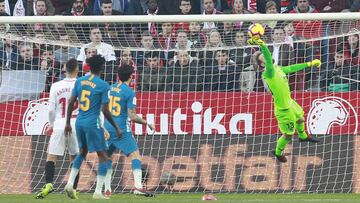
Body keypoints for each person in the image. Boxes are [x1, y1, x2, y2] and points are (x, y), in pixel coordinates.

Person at [247, 37, 321, 163]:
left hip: (289, 102)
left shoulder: (278, 68)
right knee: (288, 135)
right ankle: (277, 152)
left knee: (301, 118)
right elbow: (269, 59)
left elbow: (292, 68)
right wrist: (263, 45)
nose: (266, 57)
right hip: (283, 108)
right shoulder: (268, 72)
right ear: (262, 64)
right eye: (263, 58)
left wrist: (309, 64)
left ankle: (303, 136)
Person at [63, 55, 122, 199]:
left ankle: (70, 183)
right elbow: (104, 110)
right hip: (92, 123)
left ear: (89, 67)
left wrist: (67, 122)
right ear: (102, 67)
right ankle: (97, 192)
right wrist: (116, 127)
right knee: (104, 157)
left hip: (79, 122)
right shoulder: (103, 85)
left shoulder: (80, 81)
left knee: (82, 152)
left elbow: (71, 102)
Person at [103, 64, 155, 197]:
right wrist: (147, 123)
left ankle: (107, 189)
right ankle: (138, 187)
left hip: (108, 127)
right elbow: (132, 116)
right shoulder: (129, 92)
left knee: (107, 157)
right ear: (131, 76)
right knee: (135, 155)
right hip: (121, 129)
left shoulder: (110, 88)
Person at [35, 59, 80, 199]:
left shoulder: (55, 85)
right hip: (76, 123)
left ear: (64, 69)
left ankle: (49, 184)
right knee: (75, 158)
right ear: (77, 70)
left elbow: (50, 110)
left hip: (60, 123)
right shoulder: (82, 84)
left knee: (51, 157)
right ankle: (72, 188)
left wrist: (51, 124)